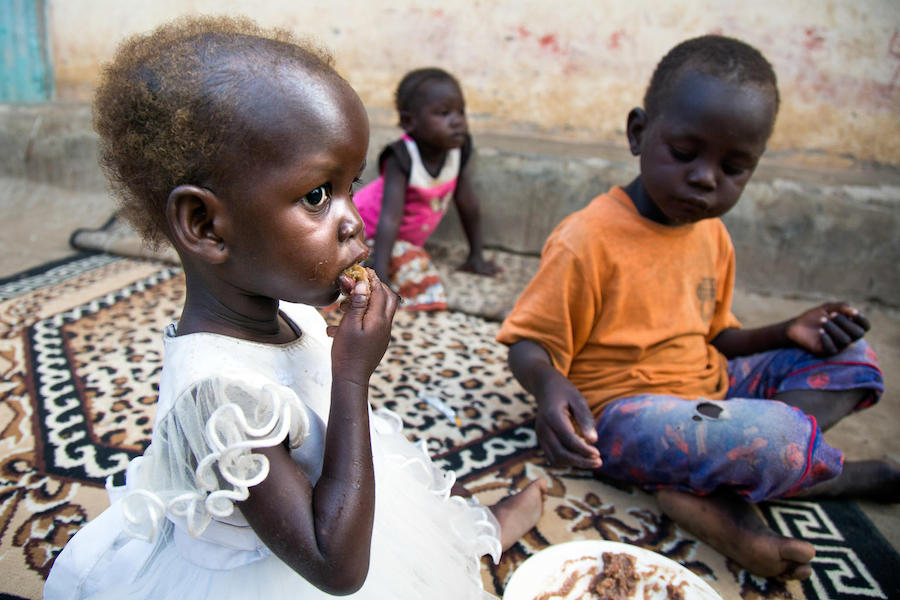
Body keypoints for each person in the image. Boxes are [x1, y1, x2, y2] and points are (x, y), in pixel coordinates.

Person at [44, 16, 545, 600]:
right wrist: (351, 377)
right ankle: (480, 533)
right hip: (287, 568)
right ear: (206, 225)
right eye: (316, 196)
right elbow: (335, 566)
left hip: (336, 492)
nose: (354, 218)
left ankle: (472, 531)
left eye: (350, 186)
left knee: (419, 510)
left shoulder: (286, 308)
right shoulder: (218, 395)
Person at [497, 34, 895, 581]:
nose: (706, 178)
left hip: (713, 392)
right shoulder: (588, 238)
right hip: (624, 415)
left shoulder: (712, 234)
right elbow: (528, 343)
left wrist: (789, 330)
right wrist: (548, 386)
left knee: (850, 354)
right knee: (773, 437)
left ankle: (708, 484)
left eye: (734, 169)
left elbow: (717, 337)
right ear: (639, 133)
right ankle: (810, 478)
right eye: (685, 154)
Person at [352, 67, 499, 310]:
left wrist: (476, 256)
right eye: (444, 113)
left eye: (460, 111)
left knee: (414, 273)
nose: (458, 120)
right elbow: (389, 218)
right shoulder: (401, 157)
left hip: (400, 244)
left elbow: (467, 203)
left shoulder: (458, 149)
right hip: (367, 233)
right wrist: (381, 275)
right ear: (409, 121)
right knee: (413, 279)